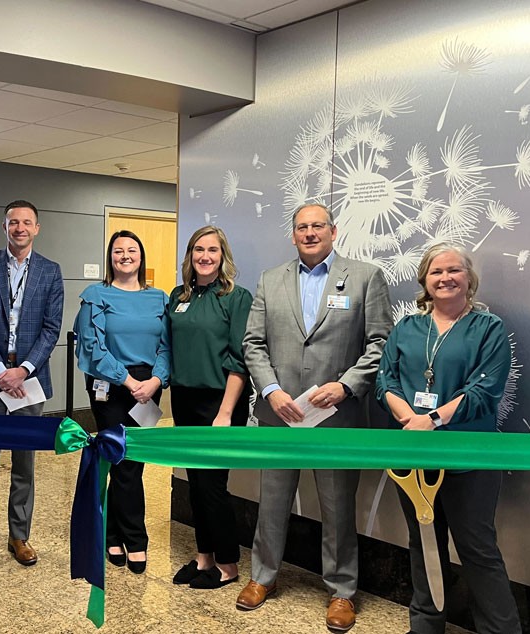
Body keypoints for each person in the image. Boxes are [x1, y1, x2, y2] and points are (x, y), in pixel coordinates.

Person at [237, 203, 392, 631]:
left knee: (339, 508)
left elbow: (381, 343)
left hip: (336, 416)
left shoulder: (365, 277)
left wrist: (345, 386)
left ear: (333, 231)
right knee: (271, 503)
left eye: (317, 226)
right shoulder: (271, 280)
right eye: (302, 227)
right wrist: (271, 390)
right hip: (280, 413)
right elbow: (253, 344)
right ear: (293, 235)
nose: (309, 233)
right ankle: (262, 577)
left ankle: (342, 591)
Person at [375, 244, 521, 634]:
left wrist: (433, 419)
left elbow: (484, 390)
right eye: (436, 272)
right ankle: (426, 624)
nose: (445, 278)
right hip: (412, 453)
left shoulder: (488, 328)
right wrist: (409, 417)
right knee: (423, 543)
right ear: (424, 280)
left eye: (454, 270)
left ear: (468, 278)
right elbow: (385, 378)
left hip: (468, 457)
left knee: (477, 549)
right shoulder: (407, 328)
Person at [0, 199, 64, 571]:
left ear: (37, 228)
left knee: (25, 464)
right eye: (13, 222)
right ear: (3, 227)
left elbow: (52, 328)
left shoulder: (51, 272)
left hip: (29, 382)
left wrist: (22, 369)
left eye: (27, 222)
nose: (20, 228)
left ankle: (19, 535)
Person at [74, 230, 169, 574]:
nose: (125, 255)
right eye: (118, 251)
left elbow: (166, 347)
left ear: (141, 256)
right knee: (123, 462)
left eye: (131, 250)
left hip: (149, 386)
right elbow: (91, 348)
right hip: (110, 388)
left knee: (132, 464)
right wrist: (129, 382)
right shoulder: (95, 295)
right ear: (110, 257)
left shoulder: (160, 298)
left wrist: (155, 381)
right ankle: (136, 539)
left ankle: (112, 533)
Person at [167, 225, 252, 589]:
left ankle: (228, 565)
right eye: (198, 250)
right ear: (190, 255)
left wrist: (225, 413)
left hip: (221, 402)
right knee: (195, 483)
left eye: (212, 250)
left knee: (213, 486)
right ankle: (204, 558)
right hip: (184, 400)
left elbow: (240, 359)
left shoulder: (236, 297)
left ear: (223, 256)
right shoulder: (178, 295)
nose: (205, 256)